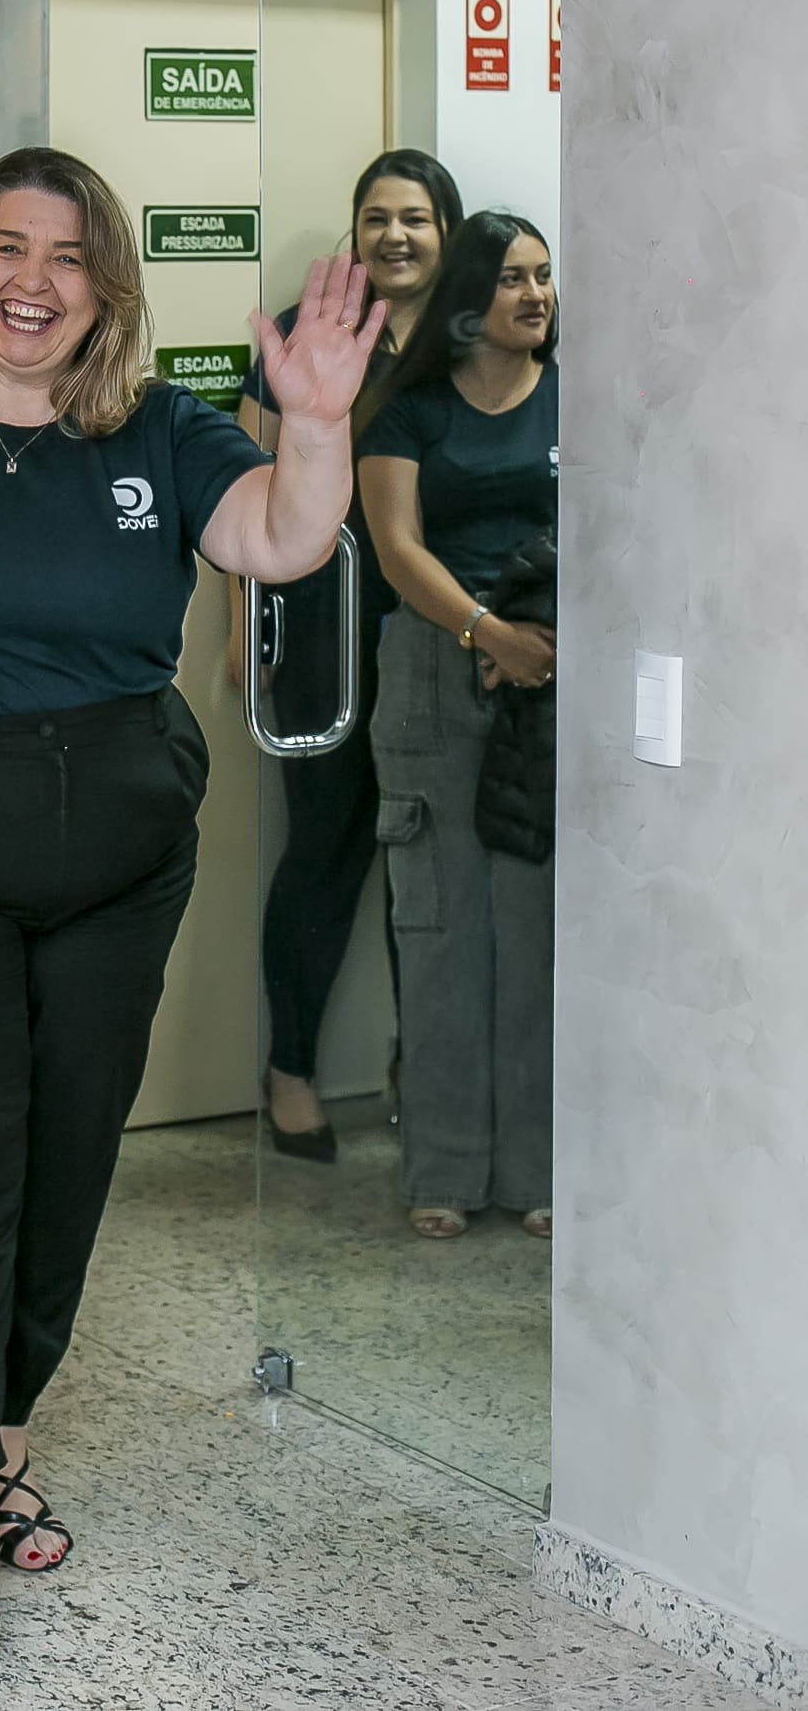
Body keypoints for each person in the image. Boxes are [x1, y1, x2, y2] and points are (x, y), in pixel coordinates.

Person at [0, 145, 384, 1656]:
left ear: (104, 287)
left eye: (67, 255)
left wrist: (314, 423)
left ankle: (2, 1424)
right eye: (7, 248)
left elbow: (283, 540)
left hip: (113, 859)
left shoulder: (161, 431)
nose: (32, 282)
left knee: (67, 1163)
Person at [233, 151, 464, 1159]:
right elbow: (245, 486)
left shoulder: (473, 334)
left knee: (433, 870)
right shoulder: (307, 330)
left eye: (414, 217)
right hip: (322, 638)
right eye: (375, 217)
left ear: (446, 229)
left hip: (438, 642)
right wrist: (246, 632)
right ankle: (289, 1070)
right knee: (323, 859)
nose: (393, 235)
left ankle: (426, 1066)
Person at [356, 212, 559, 1242]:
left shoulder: (577, 398)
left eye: (543, 276)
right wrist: (485, 631)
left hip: (549, 673)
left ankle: (536, 1171)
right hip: (436, 673)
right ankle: (440, 1166)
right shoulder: (409, 412)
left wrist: (534, 640)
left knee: (532, 932)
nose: (536, 295)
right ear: (468, 303)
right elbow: (396, 548)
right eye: (513, 279)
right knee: (439, 928)